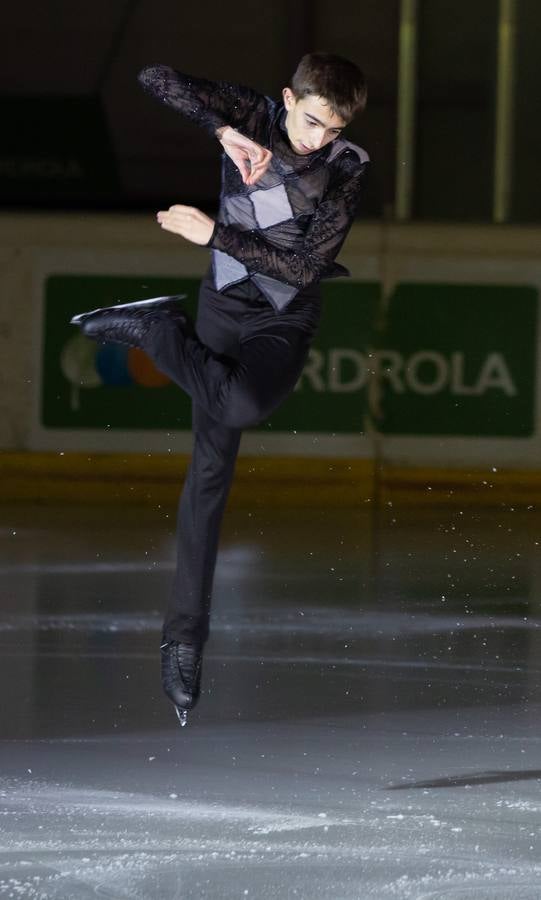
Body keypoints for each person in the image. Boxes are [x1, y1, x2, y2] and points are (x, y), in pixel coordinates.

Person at [71, 51, 369, 726]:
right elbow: (155, 77)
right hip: (220, 308)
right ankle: (183, 640)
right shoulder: (251, 115)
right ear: (288, 99)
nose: (318, 138)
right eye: (313, 121)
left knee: (243, 402)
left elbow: (300, 270)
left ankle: (153, 331)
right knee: (207, 475)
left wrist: (215, 233)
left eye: (334, 126)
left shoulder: (345, 169)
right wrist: (221, 131)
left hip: (281, 319)